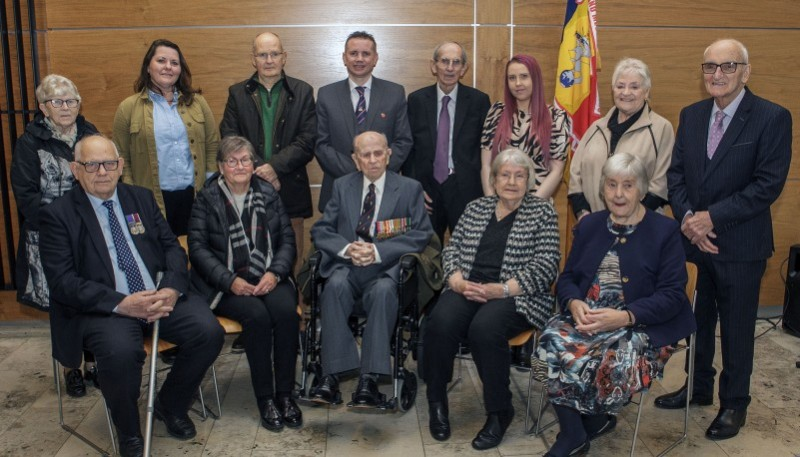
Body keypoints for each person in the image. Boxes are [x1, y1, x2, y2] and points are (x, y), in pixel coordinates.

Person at [38, 135, 224, 457]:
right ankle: (129, 432)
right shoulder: (58, 215)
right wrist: (121, 303)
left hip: (156, 295)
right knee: (121, 352)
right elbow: (63, 281)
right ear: (75, 169)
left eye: (109, 163)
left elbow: (171, 248)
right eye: (91, 164)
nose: (102, 172)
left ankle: (170, 405)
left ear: (120, 166)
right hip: (104, 308)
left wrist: (171, 288)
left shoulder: (140, 198)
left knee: (208, 332)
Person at [658, 38, 792, 441]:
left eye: (728, 66)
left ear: (746, 72)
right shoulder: (692, 114)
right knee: (695, 320)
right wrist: (687, 218)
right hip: (693, 244)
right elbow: (675, 176)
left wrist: (710, 218)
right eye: (709, 67)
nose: (717, 74)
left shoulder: (772, 117)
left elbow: (767, 185)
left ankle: (734, 404)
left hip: (740, 245)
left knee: (735, 329)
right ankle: (697, 387)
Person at [539, 153, 696, 457]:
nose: (619, 194)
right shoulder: (590, 226)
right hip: (587, 316)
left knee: (605, 359)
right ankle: (574, 434)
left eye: (628, 185)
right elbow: (568, 276)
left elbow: (673, 294)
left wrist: (624, 317)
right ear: (603, 188)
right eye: (611, 185)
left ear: (642, 189)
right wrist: (572, 302)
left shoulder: (664, 231)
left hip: (640, 323)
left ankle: (594, 419)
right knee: (551, 340)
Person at [423, 147, 560, 450]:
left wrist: (503, 289)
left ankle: (500, 411)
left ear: (529, 181)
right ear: (494, 180)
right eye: (505, 175)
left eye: (519, 176)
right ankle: (437, 402)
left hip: (516, 295)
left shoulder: (542, 212)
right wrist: (456, 280)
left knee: (484, 330)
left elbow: (548, 264)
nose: (511, 182)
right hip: (468, 288)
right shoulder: (476, 208)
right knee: (439, 322)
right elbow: (452, 248)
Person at [309, 131, 432, 407]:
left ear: (389, 154)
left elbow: (422, 234)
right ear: (356, 159)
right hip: (347, 267)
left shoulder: (409, 188)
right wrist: (347, 249)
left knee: (383, 291)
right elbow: (322, 230)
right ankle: (332, 374)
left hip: (387, 270)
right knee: (334, 286)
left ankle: (370, 378)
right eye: (366, 155)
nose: (373, 160)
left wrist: (377, 251)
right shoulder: (342, 186)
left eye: (379, 153)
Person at [188, 136, 301, 432]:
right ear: (221, 167)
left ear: (254, 164)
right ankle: (265, 398)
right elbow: (198, 249)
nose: (239, 166)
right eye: (232, 161)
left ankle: (286, 395)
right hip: (224, 284)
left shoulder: (269, 193)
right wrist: (231, 281)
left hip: (268, 277)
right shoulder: (207, 198)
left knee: (287, 312)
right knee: (257, 316)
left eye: (245, 160)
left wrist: (275, 273)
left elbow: (287, 239)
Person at [11, 74, 100, 398]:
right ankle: (71, 369)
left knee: (93, 299)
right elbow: (25, 195)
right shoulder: (30, 142)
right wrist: (60, 223)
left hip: (91, 234)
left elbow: (104, 182)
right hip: (50, 237)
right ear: (43, 107)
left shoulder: (90, 135)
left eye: (71, 101)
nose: (65, 107)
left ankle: (94, 363)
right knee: (64, 306)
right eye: (57, 102)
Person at [219, 32, 316, 270]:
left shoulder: (302, 91)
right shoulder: (237, 93)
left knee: (292, 253)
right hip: (247, 186)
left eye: (274, 54)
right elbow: (230, 138)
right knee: (251, 255)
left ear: (284, 57)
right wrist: (261, 170)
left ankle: (292, 304)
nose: (269, 60)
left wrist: (274, 167)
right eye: (263, 55)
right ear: (253, 59)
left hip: (290, 186)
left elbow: (307, 141)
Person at [113, 39, 220, 236]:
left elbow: (213, 144)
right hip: (151, 199)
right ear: (148, 67)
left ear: (181, 69)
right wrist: (131, 195)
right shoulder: (128, 108)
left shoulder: (198, 103)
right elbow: (121, 156)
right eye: (161, 60)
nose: (168, 67)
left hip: (195, 196)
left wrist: (210, 186)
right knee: (160, 256)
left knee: (197, 255)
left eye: (174, 63)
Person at [315, 31, 412, 212]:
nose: (359, 59)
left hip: (385, 191)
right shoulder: (326, 94)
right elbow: (321, 145)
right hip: (339, 190)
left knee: (384, 241)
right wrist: (359, 171)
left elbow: (403, 141)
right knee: (340, 241)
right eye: (353, 53)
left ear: (375, 58)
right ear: (344, 58)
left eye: (366, 54)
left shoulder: (395, 93)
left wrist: (375, 170)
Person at [404, 41, 491, 241]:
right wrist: (413, 188)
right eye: (444, 61)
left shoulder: (479, 101)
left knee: (467, 250)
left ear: (464, 69)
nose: (450, 68)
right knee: (426, 253)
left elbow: (487, 148)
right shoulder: (416, 100)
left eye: (456, 62)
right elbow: (409, 149)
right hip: (426, 189)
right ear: (433, 66)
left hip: (465, 190)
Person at [568, 58, 675, 219]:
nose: (626, 93)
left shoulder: (661, 128)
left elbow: (660, 185)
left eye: (634, 87)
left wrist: (630, 220)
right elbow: (575, 175)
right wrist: (584, 216)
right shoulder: (596, 128)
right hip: (593, 227)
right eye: (620, 86)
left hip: (641, 228)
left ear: (646, 92)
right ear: (613, 90)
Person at [480, 54, 570, 200]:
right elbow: (486, 166)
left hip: (538, 206)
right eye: (512, 78)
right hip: (499, 205)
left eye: (524, 76)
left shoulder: (556, 117)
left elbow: (557, 171)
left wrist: (531, 209)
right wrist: (491, 204)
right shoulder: (496, 112)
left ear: (535, 79)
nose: (518, 83)